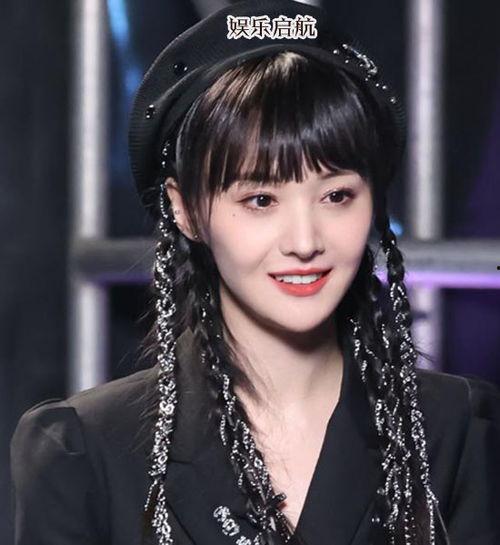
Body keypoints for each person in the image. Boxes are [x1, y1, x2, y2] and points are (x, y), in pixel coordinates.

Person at [9, 1, 500, 544]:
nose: (305, 242)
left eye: (337, 195)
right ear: (184, 209)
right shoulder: (86, 453)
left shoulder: (456, 431)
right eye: (261, 199)